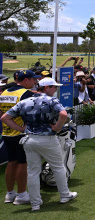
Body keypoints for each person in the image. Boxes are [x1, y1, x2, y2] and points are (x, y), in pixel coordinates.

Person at [1, 77, 78, 211]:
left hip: (29, 139)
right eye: (54, 87)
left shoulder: (25, 101)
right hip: (48, 139)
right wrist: (57, 128)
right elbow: (63, 114)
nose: (56, 90)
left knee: (32, 172)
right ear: (46, 87)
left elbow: (5, 118)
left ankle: (35, 203)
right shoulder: (51, 100)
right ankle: (65, 195)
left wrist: (21, 129)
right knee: (58, 167)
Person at [1, 70, 38, 205]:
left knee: (12, 162)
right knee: (22, 163)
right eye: (33, 79)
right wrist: (23, 128)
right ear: (26, 80)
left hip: (6, 132)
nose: (34, 82)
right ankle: (22, 194)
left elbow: (1, 113)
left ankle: (10, 194)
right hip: (21, 133)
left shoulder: (5, 92)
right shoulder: (25, 94)